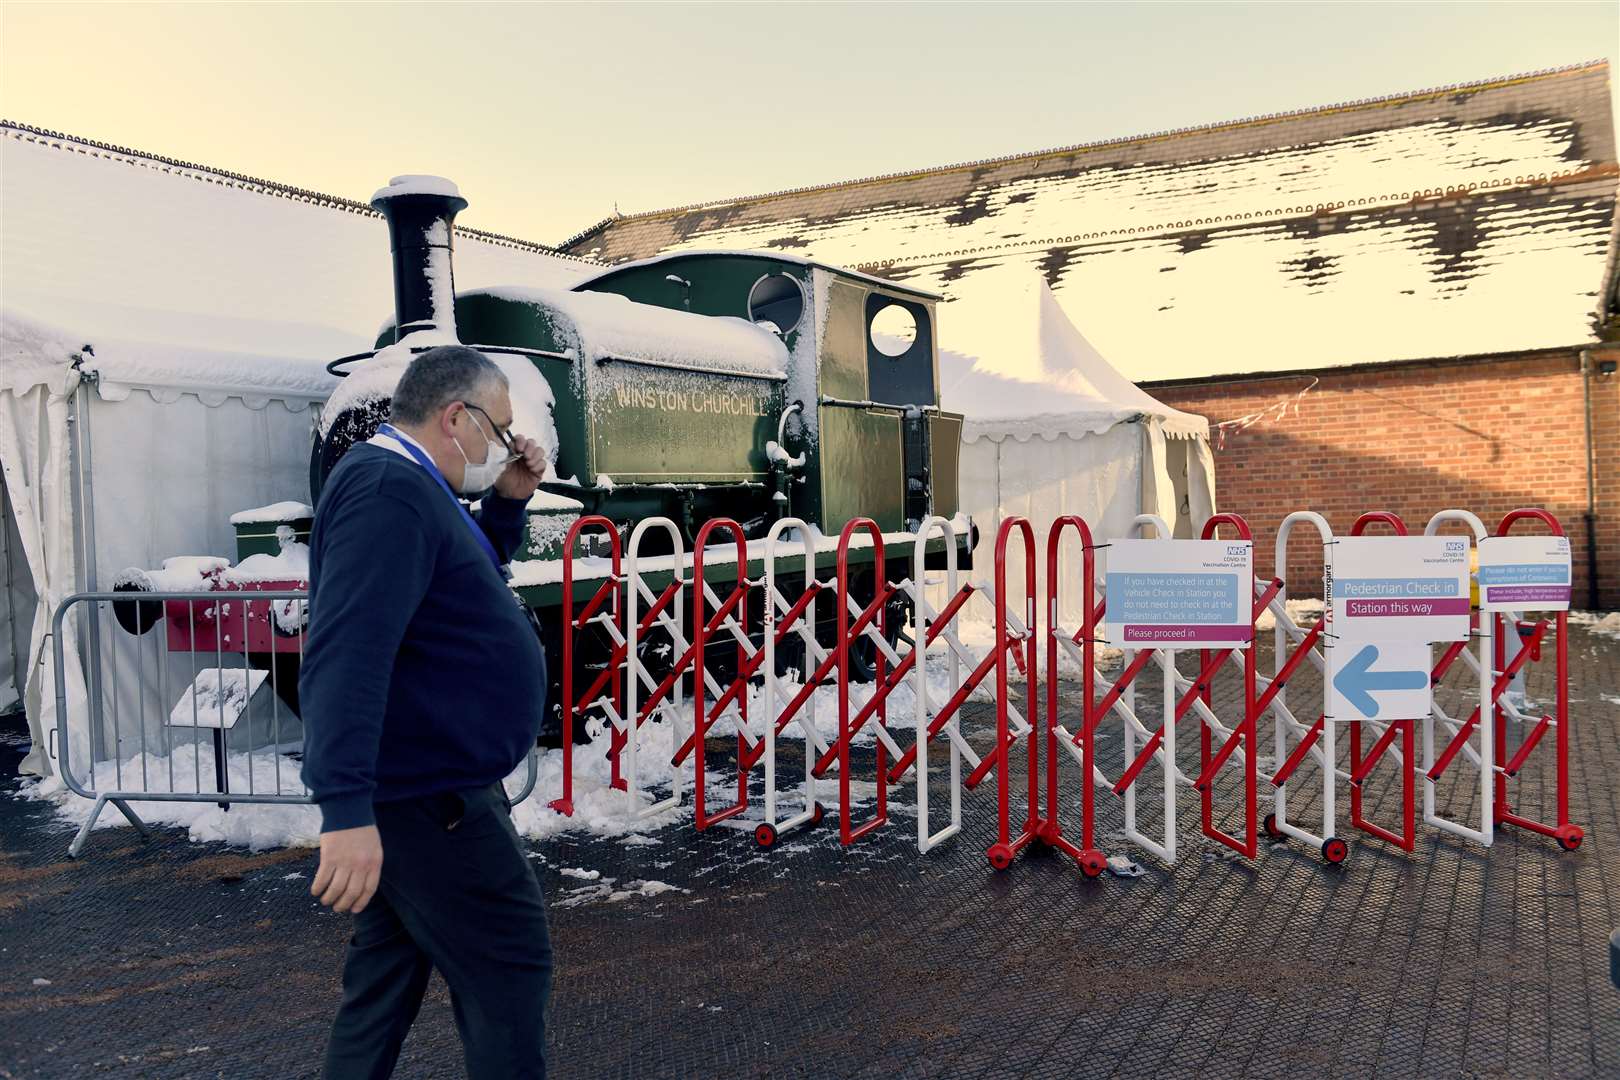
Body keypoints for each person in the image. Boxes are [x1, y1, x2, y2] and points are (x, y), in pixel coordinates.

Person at [299, 345, 552, 1080]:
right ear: (456, 417)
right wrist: (344, 812)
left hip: (417, 790)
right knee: (510, 964)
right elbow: (347, 652)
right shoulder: (388, 494)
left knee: (384, 984)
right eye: (499, 430)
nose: (506, 441)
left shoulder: (411, 483)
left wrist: (504, 501)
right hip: (428, 795)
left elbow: (458, 585)